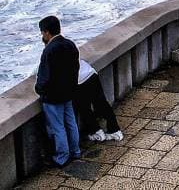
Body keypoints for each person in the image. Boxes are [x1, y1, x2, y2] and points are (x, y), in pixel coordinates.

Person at [35, 16, 81, 167]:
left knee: (58, 127)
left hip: (52, 97)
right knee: (71, 122)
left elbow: (44, 77)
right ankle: (75, 151)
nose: (42, 36)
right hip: (69, 93)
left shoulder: (49, 50)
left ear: (47, 32)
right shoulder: (70, 45)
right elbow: (76, 69)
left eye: (42, 33)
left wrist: (39, 90)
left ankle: (62, 157)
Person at [74, 58, 123, 142]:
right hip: (90, 73)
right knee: (101, 103)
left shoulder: (52, 51)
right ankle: (114, 129)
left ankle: (96, 131)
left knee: (84, 108)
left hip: (79, 81)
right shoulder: (70, 44)